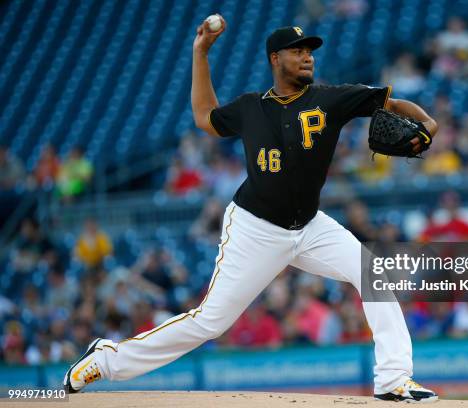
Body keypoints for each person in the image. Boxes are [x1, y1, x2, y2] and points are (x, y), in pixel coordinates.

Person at [64, 18, 439, 403]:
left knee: (371, 273)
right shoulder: (249, 108)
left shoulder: (332, 98)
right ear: (276, 59)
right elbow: (203, 117)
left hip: (309, 226)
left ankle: (393, 379)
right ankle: (107, 359)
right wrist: (201, 53)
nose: (308, 57)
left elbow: (390, 101)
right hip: (254, 229)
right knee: (211, 321)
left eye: (310, 51)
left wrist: (427, 122)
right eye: (298, 51)